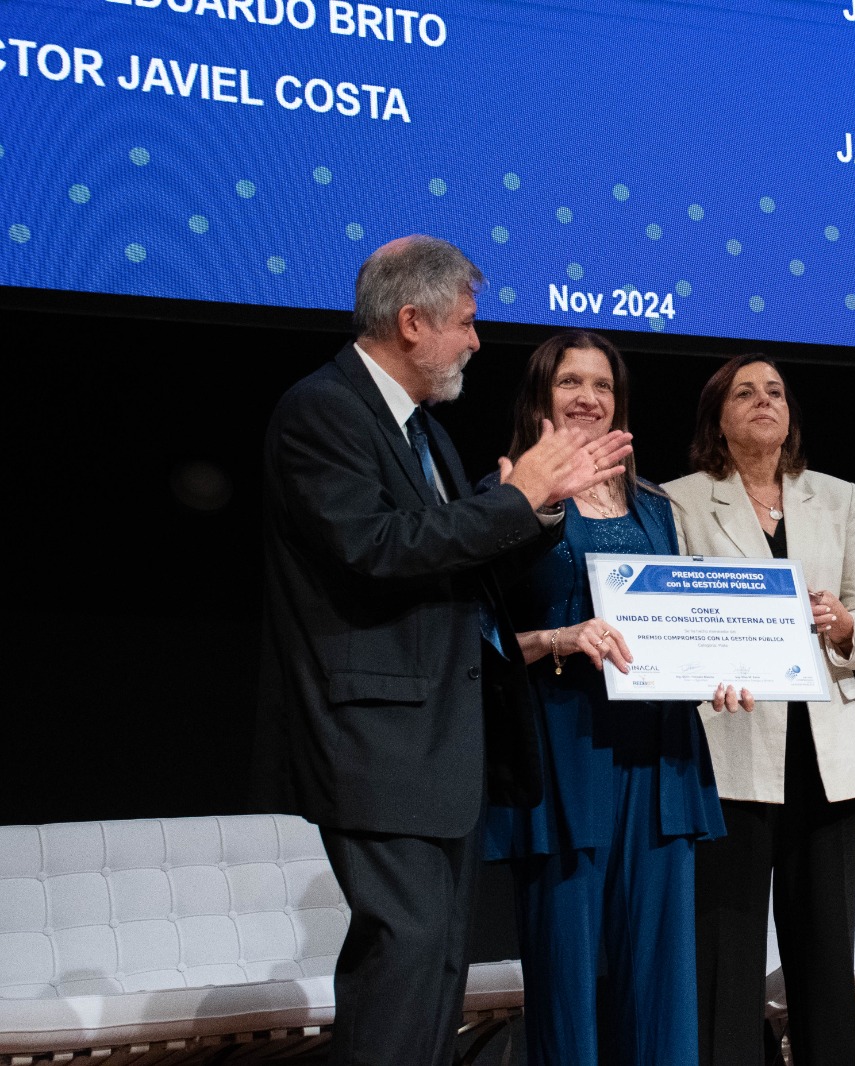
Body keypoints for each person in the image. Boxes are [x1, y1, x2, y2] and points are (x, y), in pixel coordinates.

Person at [255, 237, 631, 1066]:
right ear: (411, 319)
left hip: (439, 745)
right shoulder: (324, 412)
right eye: (465, 323)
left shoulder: (426, 435)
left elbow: (459, 565)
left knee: (433, 966)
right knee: (407, 953)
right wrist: (515, 496)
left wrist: (536, 508)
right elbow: (378, 549)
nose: (474, 341)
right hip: (375, 743)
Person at [483, 330, 739, 1066]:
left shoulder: (657, 507)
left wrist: (715, 670)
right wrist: (562, 640)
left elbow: (682, 626)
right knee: (565, 979)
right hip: (562, 756)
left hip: (660, 757)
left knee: (663, 979)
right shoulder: (506, 497)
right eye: (570, 382)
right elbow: (477, 638)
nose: (589, 397)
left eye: (602, 385)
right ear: (541, 396)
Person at [664, 354, 855, 1066]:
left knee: (825, 964)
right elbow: (673, 618)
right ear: (718, 418)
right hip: (730, 753)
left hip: (828, 759)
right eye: (745, 392)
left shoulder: (837, 497)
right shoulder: (679, 501)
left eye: (776, 392)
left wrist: (847, 626)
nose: (764, 401)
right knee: (726, 965)